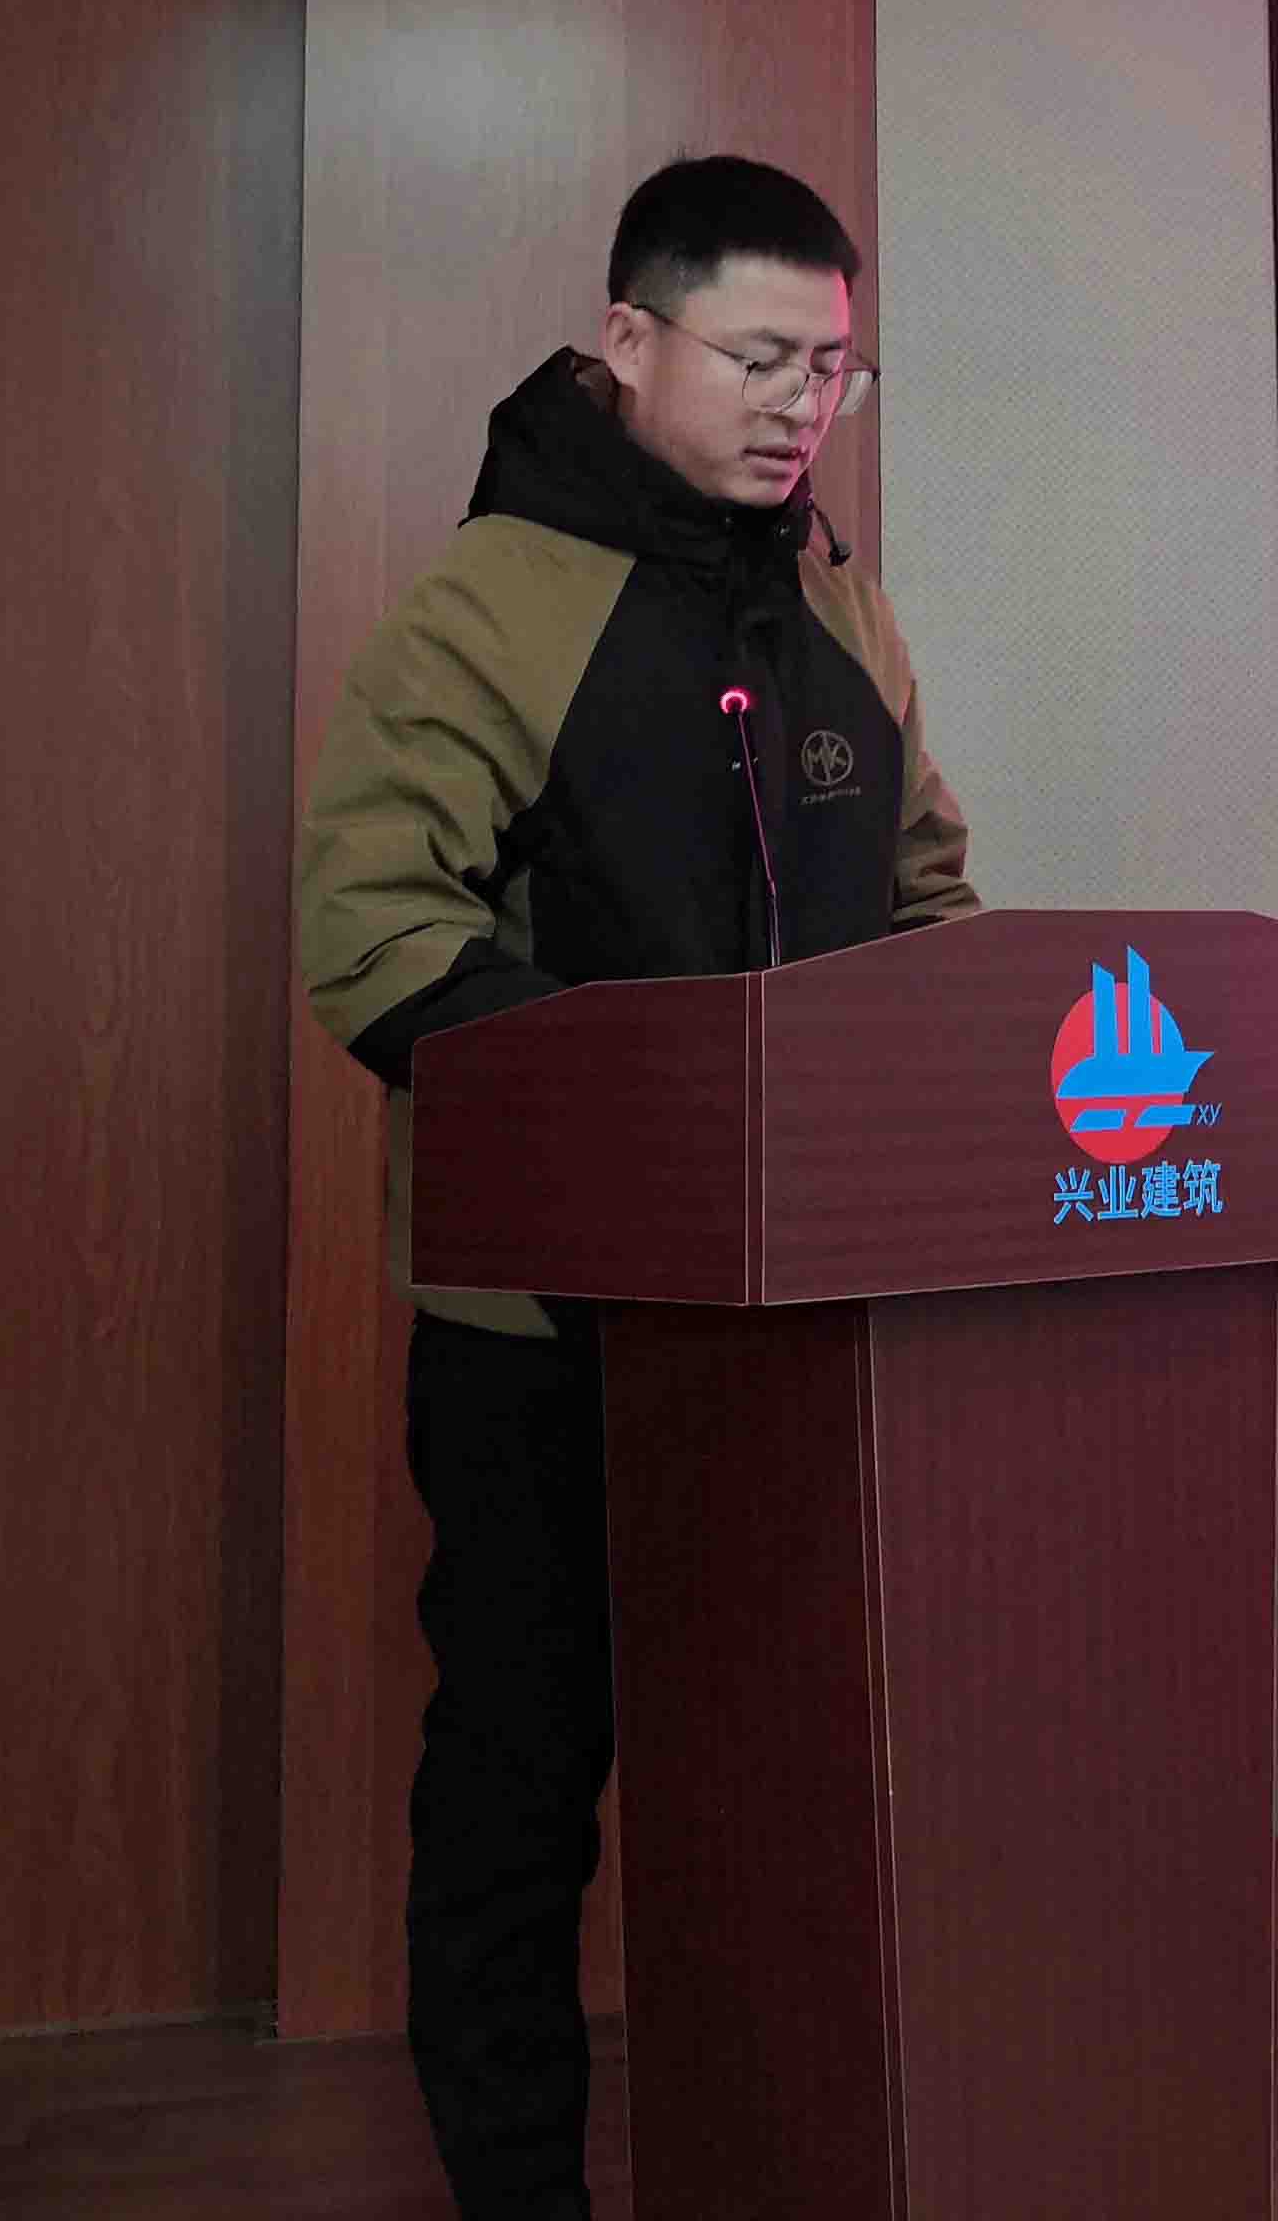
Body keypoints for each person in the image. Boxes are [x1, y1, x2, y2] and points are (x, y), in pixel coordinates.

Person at [295, 155, 976, 2221]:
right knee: (523, 1777)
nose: (799, 407)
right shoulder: (493, 601)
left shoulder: (840, 604)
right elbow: (371, 930)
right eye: (759, 358)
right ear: (627, 341)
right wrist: (659, 1119)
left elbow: (929, 899)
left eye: (831, 369)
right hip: (549, 1339)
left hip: (805, 1326)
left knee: (780, 1776)